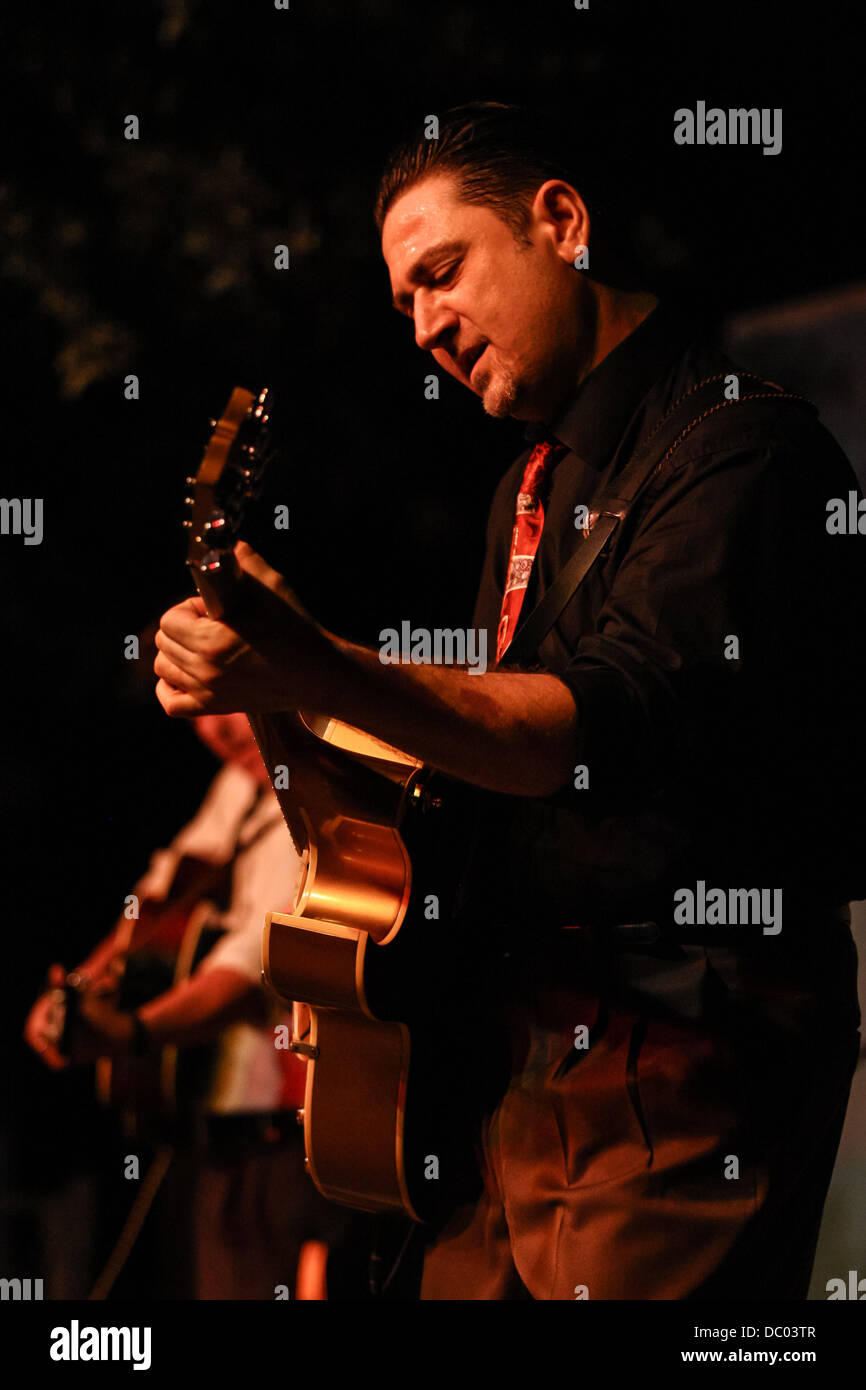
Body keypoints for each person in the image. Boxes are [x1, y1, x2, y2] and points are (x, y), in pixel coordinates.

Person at [150, 103, 865, 1300]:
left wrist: (313, 663)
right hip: (528, 1063)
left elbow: (590, 727)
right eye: (403, 303)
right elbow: (490, 756)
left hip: (684, 1066)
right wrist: (286, 697)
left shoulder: (743, 453)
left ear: (560, 224)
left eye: (441, 272)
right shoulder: (527, 487)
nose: (425, 324)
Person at [25, 712, 345, 1299]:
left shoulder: (323, 782)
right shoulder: (239, 783)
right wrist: (81, 983)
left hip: (299, 1125)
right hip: (221, 1124)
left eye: (221, 706)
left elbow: (257, 965)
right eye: (196, 718)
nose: (216, 735)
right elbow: (160, 891)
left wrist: (132, 1033)